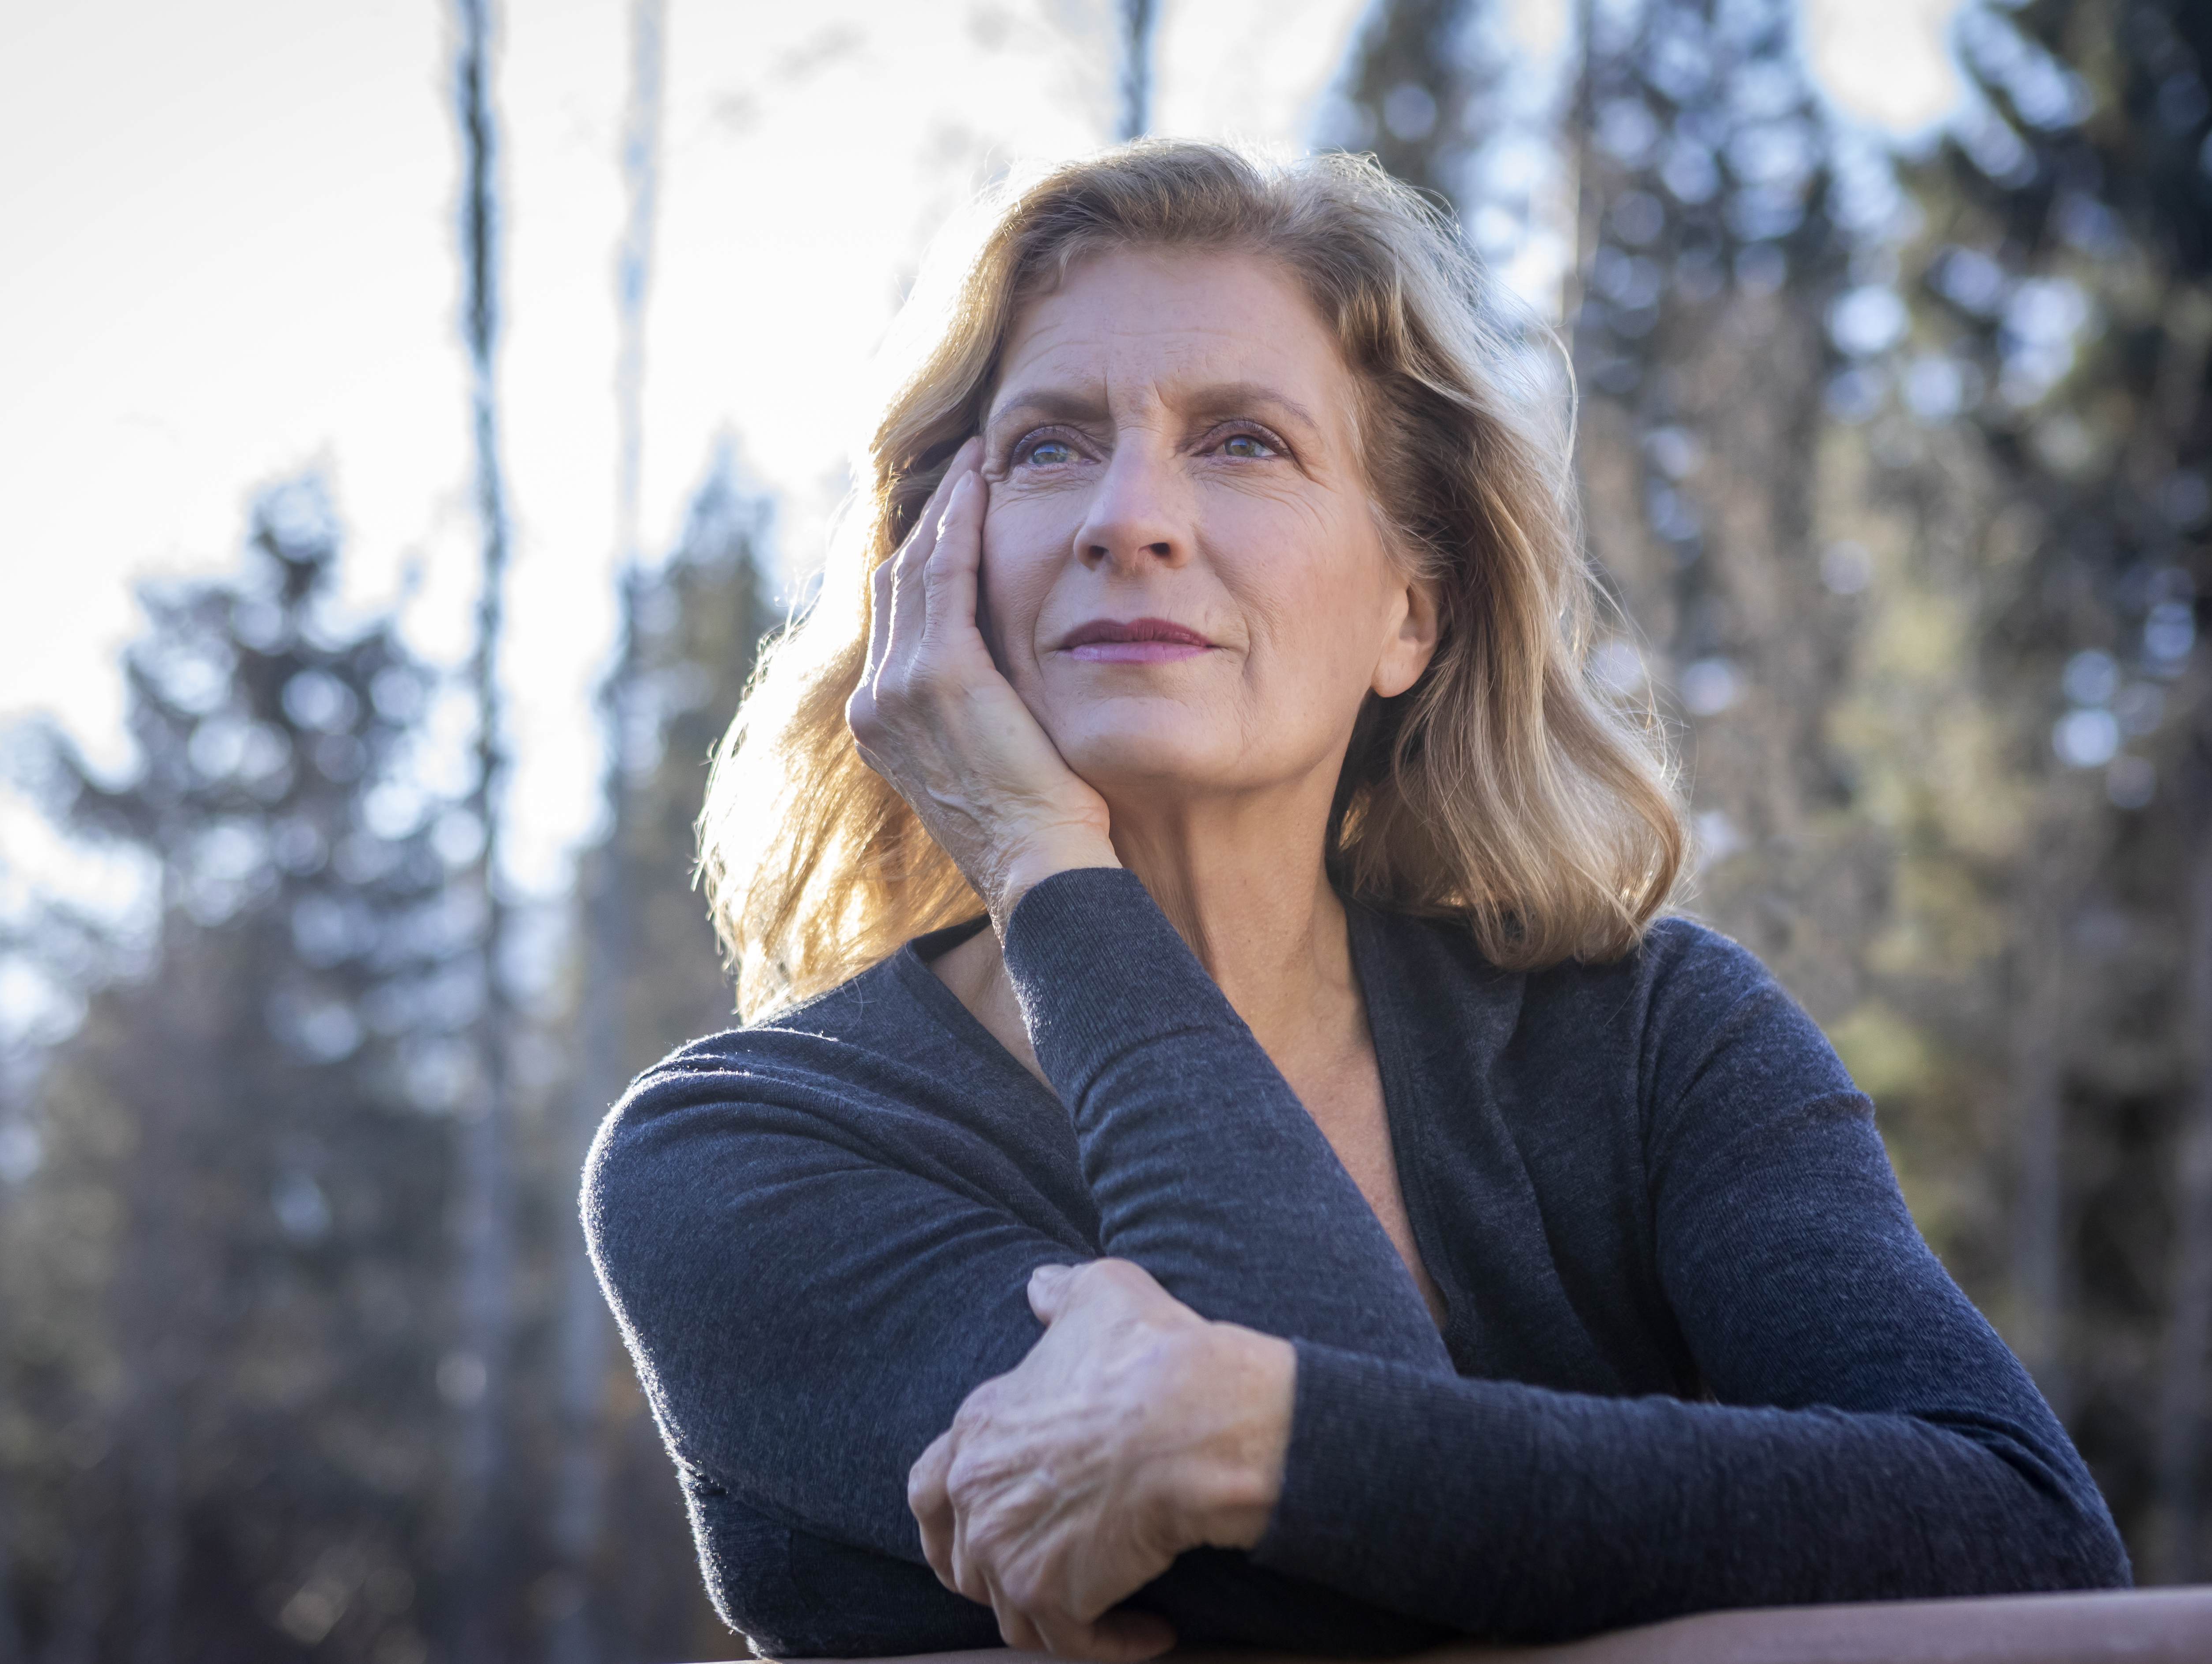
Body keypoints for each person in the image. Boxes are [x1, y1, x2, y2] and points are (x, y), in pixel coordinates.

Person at [583, 141, 2128, 1661]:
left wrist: (1241, 1431)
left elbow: (2023, 1534)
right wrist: (1047, 861)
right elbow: (1332, 1590)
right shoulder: (736, 1154)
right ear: (939, 571)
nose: (1133, 515)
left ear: (1412, 608)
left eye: (1244, 442)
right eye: (1050, 445)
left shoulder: (1656, 1042)